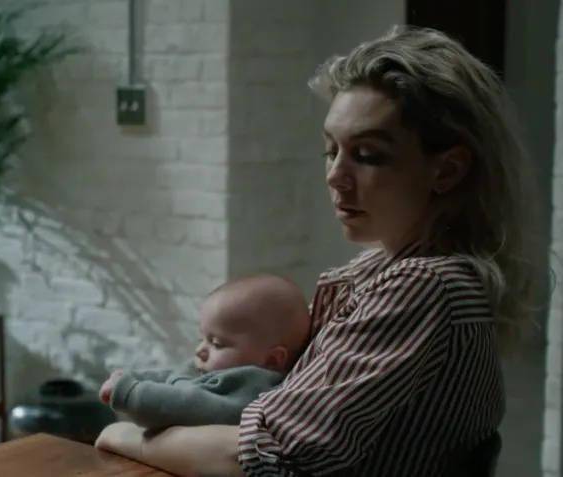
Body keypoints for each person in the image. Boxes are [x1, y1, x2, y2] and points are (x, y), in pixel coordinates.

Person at [96, 26, 539, 476]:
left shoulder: (426, 286)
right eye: (331, 150)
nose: (335, 176)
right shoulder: (377, 271)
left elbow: (265, 457)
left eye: (367, 155)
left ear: (447, 170)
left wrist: (124, 436)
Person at [97, 275, 309, 431]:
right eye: (202, 339)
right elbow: (176, 376)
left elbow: (188, 405)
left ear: (271, 360)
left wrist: (129, 392)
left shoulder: (253, 390)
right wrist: (133, 377)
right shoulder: (215, 371)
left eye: (216, 343)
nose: (200, 350)